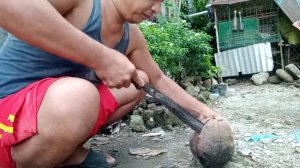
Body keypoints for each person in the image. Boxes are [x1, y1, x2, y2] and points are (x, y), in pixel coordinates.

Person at [0, 0, 220, 167]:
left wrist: (204, 113)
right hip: (8, 116)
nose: (157, 9)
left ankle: (65, 152)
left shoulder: (131, 36)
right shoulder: (82, 4)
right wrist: (100, 57)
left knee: (138, 82)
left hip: (53, 109)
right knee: (80, 94)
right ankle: (25, 159)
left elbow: (158, 79)